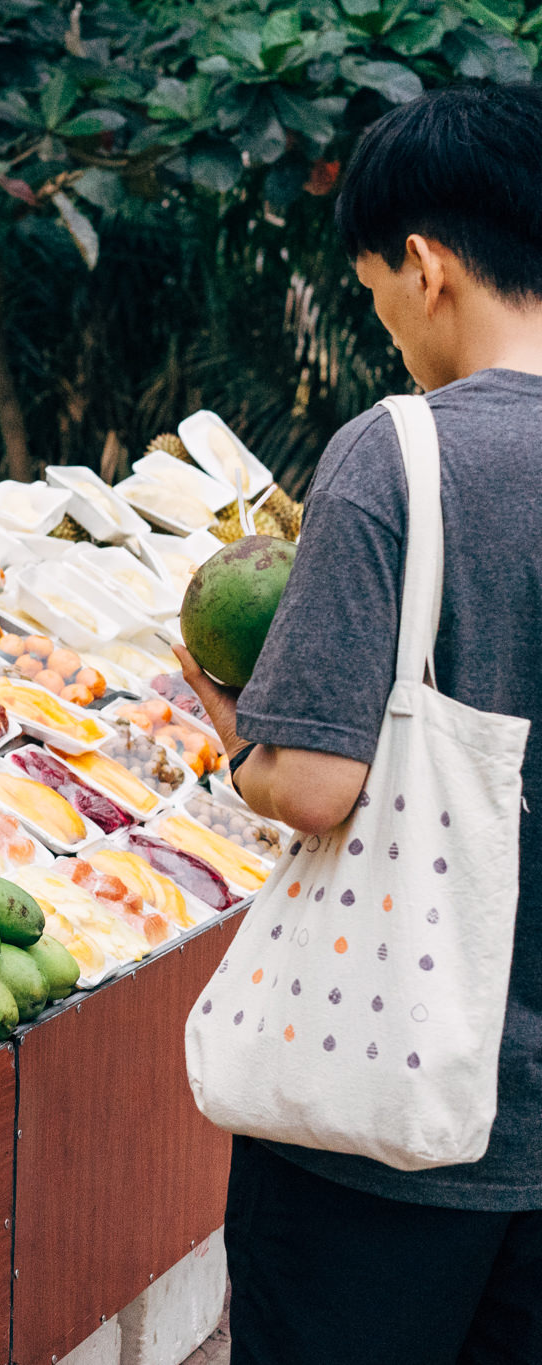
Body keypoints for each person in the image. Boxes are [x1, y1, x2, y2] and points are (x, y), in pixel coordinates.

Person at [175, 87, 542, 1363]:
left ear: (426, 266)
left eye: (375, 286)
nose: (383, 323)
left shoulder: (400, 455)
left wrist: (235, 722)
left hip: (385, 1132)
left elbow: (315, 785)